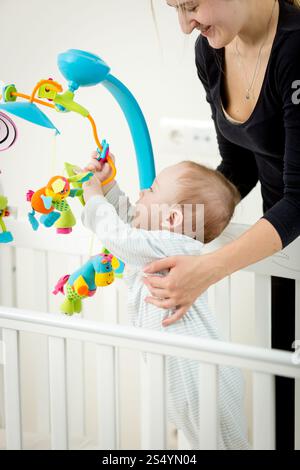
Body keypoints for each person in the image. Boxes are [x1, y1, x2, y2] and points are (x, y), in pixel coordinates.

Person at [145, 0, 300, 449]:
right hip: (282, 248)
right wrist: (164, 226)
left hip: (287, 227)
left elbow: (299, 199)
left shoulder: (294, 50)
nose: (185, 24)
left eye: (190, 4)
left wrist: (208, 269)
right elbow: (237, 168)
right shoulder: (211, 52)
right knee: (282, 404)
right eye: (175, 9)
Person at [80, 152, 250, 449]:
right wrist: (108, 186)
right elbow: (132, 222)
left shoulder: (175, 246)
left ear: (172, 219)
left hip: (203, 375)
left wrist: (95, 198)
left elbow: (120, 235)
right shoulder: (160, 243)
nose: (144, 191)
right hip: (187, 374)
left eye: (154, 189)